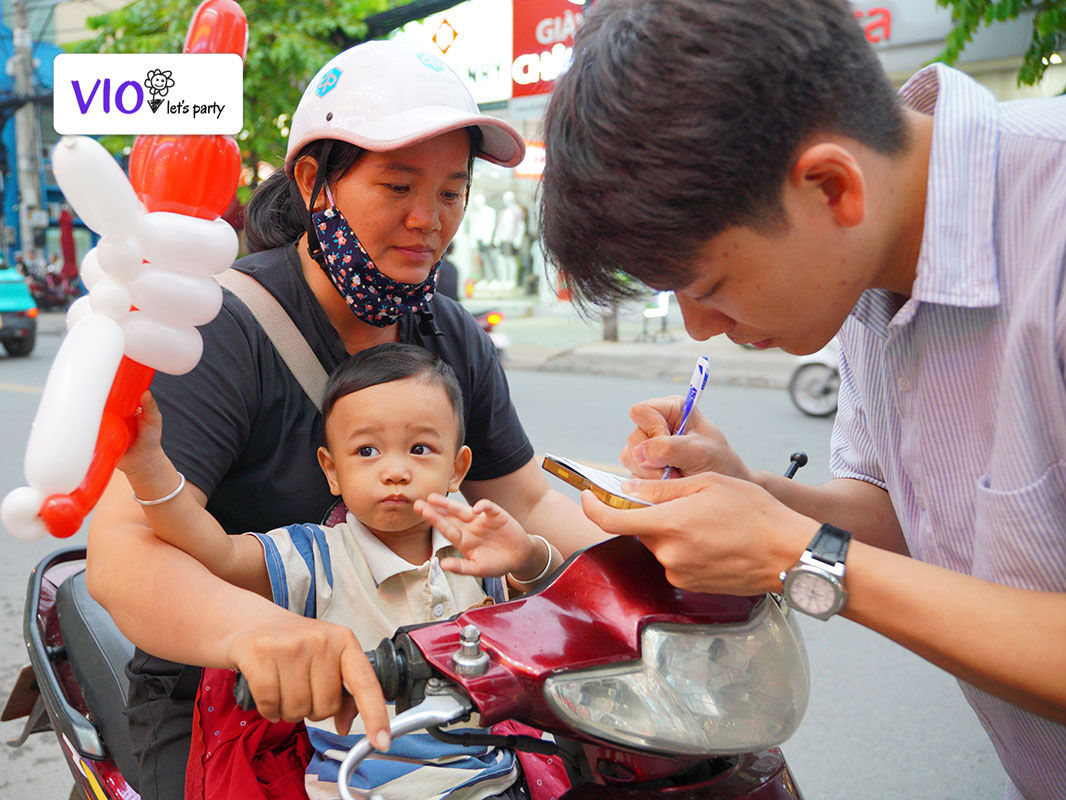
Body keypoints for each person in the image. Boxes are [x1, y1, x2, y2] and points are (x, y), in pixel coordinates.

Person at [537, 1, 1066, 799]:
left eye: (708, 286)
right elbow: (913, 514)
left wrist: (791, 553)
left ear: (830, 187)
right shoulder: (862, 272)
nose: (701, 329)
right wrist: (755, 497)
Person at [87, 39, 603, 800]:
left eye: (452, 193)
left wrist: (659, 575)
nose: (429, 220)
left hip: (426, 695)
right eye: (398, 185)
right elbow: (123, 551)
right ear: (313, 182)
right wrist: (254, 634)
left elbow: (527, 500)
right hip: (231, 699)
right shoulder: (222, 326)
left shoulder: (451, 333)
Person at [118, 342, 558, 799]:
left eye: (420, 448)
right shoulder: (315, 558)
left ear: (457, 468)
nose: (394, 471)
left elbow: (556, 612)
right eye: (367, 450)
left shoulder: (478, 554)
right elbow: (216, 553)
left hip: (496, 781)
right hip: (364, 788)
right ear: (332, 470)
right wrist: (148, 468)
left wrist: (526, 555)